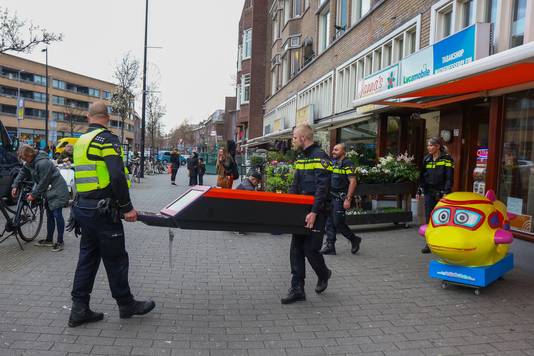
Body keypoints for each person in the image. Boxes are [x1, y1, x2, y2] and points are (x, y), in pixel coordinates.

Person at [68, 101, 155, 328]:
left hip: (84, 208)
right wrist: (127, 208)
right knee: (116, 259)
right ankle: (126, 304)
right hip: (104, 211)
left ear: (88, 116)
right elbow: (116, 175)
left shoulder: (80, 141)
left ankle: (79, 309)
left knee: (87, 258)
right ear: (107, 118)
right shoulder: (106, 139)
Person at [281, 124, 332, 305]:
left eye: (294, 137)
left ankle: (324, 273)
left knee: (310, 250)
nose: (293, 140)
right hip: (301, 210)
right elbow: (295, 184)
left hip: (316, 212)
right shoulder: (301, 158)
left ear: (303, 138)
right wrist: (288, 205)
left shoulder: (321, 157)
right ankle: (297, 288)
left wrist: (314, 212)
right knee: (296, 249)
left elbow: (322, 189)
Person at [11, 145, 70, 252]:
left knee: (57, 214)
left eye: (25, 158)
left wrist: (33, 195)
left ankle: (60, 241)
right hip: (49, 191)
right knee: (50, 215)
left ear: (30, 155)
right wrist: (15, 185)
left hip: (57, 190)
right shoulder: (30, 162)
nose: (24, 161)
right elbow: (23, 172)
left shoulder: (43, 163)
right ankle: (49, 239)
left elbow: (43, 182)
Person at [320, 143, 361, 255]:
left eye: (336, 150)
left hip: (340, 198)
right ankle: (330, 245)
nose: (333, 151)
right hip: (330, 197)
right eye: (333, 149)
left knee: (338, 222)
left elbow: (353, 181)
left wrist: (348, 199)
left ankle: (354, 239)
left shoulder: (347, 163)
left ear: (343, 152)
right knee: (329, 222)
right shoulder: (333, 162)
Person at [417, 137, 454, 254]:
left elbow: (449, 177)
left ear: (438, 146)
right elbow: (422, 176)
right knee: (429, 217)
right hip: (429, 192)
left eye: (431, 145)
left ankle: (442, 242)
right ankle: (429, 244)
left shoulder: (447, 159)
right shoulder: (427, 159)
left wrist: (446, 192)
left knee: (442, 217)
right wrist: (419, 190)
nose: (429, 147)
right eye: (428, 145)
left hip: (442, 193)